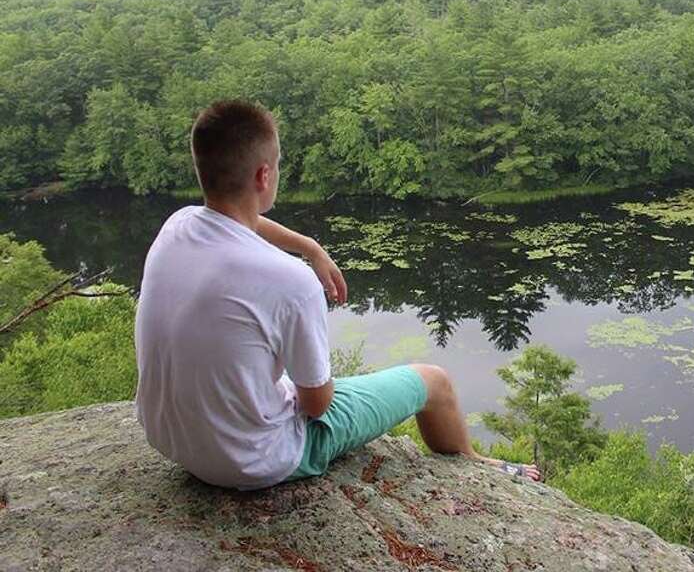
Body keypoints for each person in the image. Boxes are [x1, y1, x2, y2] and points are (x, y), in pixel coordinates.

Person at [134, 99, 539, 490]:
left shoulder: (177, 227)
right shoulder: (291, 281)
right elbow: (317, 406)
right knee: (435, 382)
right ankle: (473, 464)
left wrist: (310, 246)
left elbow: (242, 224)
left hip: (172, 441)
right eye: (277, 166)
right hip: (254, 459)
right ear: (264, 176)